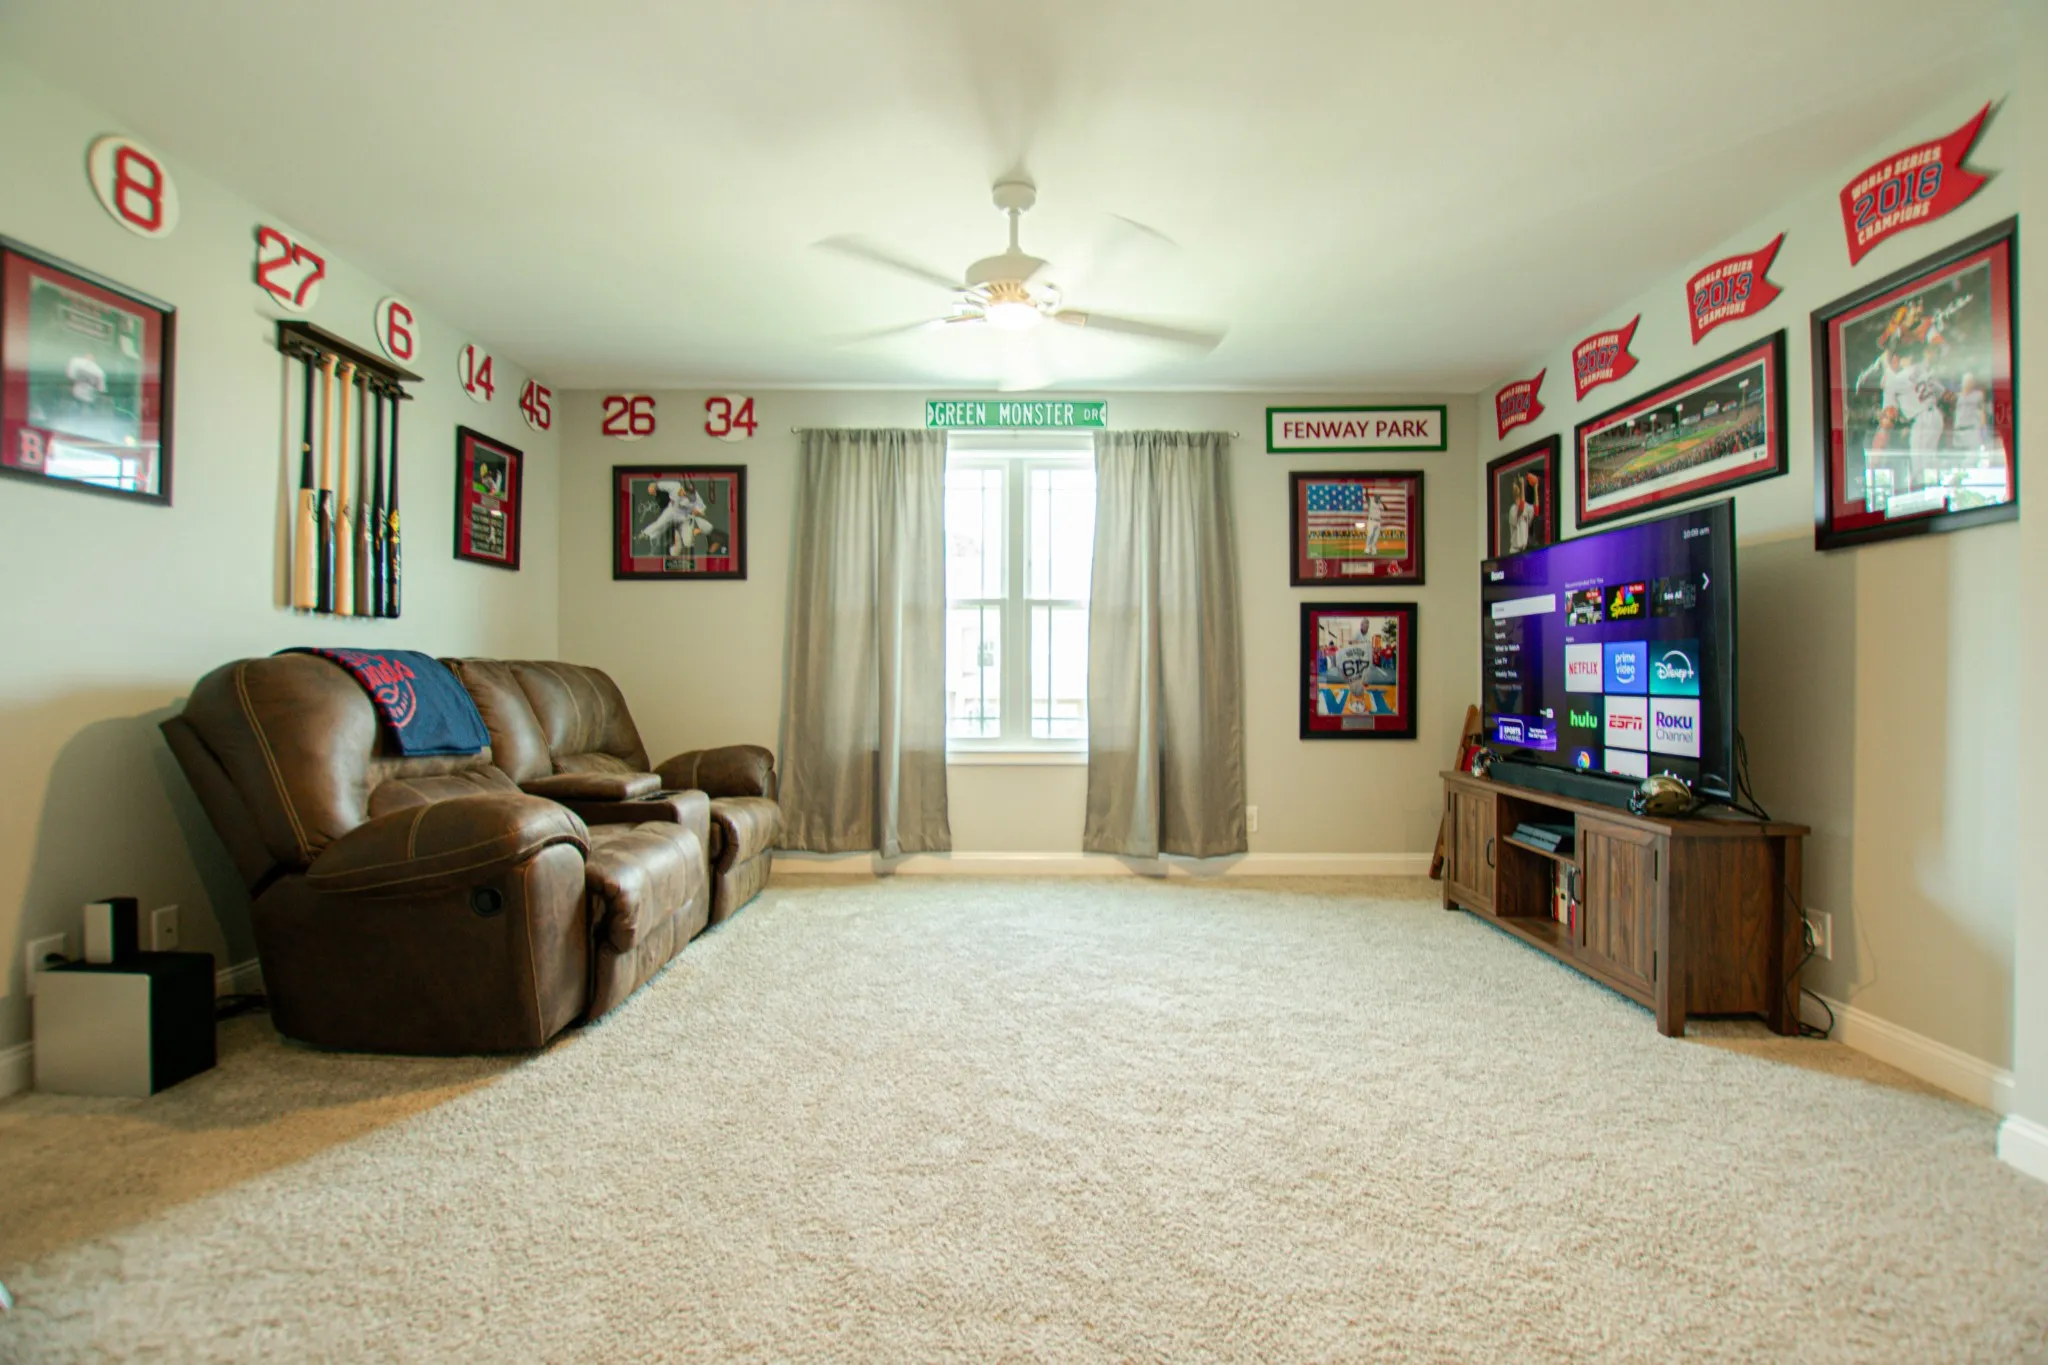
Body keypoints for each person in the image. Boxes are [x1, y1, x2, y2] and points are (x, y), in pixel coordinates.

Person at [1506, 473, 1538, 553]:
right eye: (1514, 484)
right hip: (1514, 550)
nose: (1514, 486)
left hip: (1524, 550)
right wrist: (1522, 485)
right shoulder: (1513, 509)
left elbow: (1536, 510)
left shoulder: (1527, 506)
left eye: (1515, 484)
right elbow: (1521, 507)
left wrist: (1535, 487)